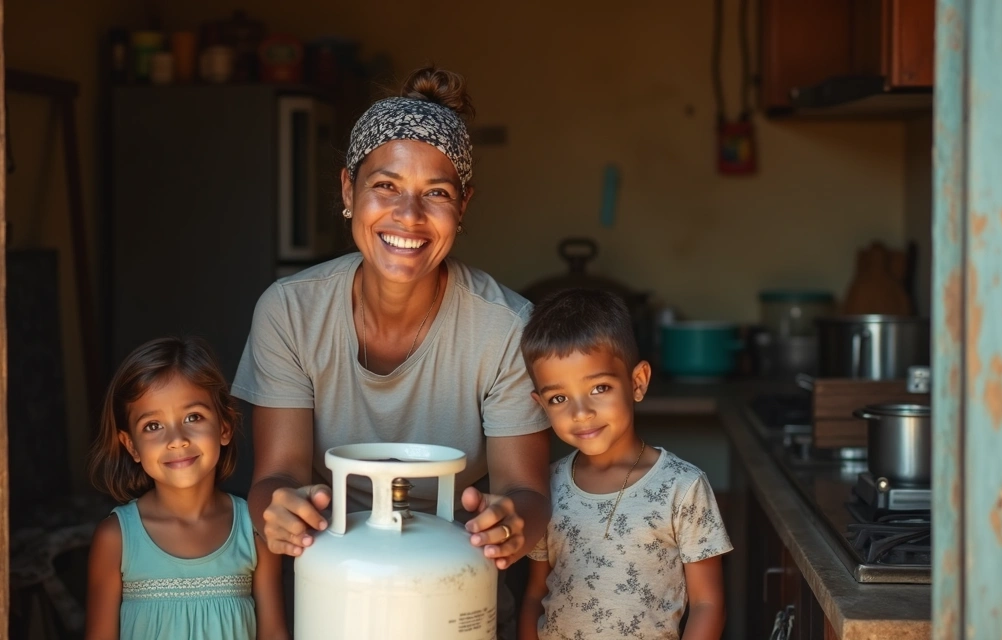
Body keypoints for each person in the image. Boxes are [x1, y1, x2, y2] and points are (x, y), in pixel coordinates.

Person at [234, 66, 552, 634]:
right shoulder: (291, 312)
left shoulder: (506, 328)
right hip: (333, 595)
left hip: (457, 602)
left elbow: (524, 492)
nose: (409, 216)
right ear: (346, 191)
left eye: (437, 194)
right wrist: (279, 509)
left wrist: (510, 522)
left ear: (464, 207)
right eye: (386, 186)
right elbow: (274, 477)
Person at [517, 290, 732, 640]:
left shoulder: (683, 488)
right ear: (540, 404)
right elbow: (534, 595)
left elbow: (708, 604)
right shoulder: (545, 486)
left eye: (599, 388)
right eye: (559, 398)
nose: (581, 412)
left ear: (637, 382)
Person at [85, 336, 287, 640]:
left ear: (224, 427)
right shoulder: (116, 539)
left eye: (193, 417)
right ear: (131, 446)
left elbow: (274, 634)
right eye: (153, 426)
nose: (176, 438)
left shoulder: (255, 529)